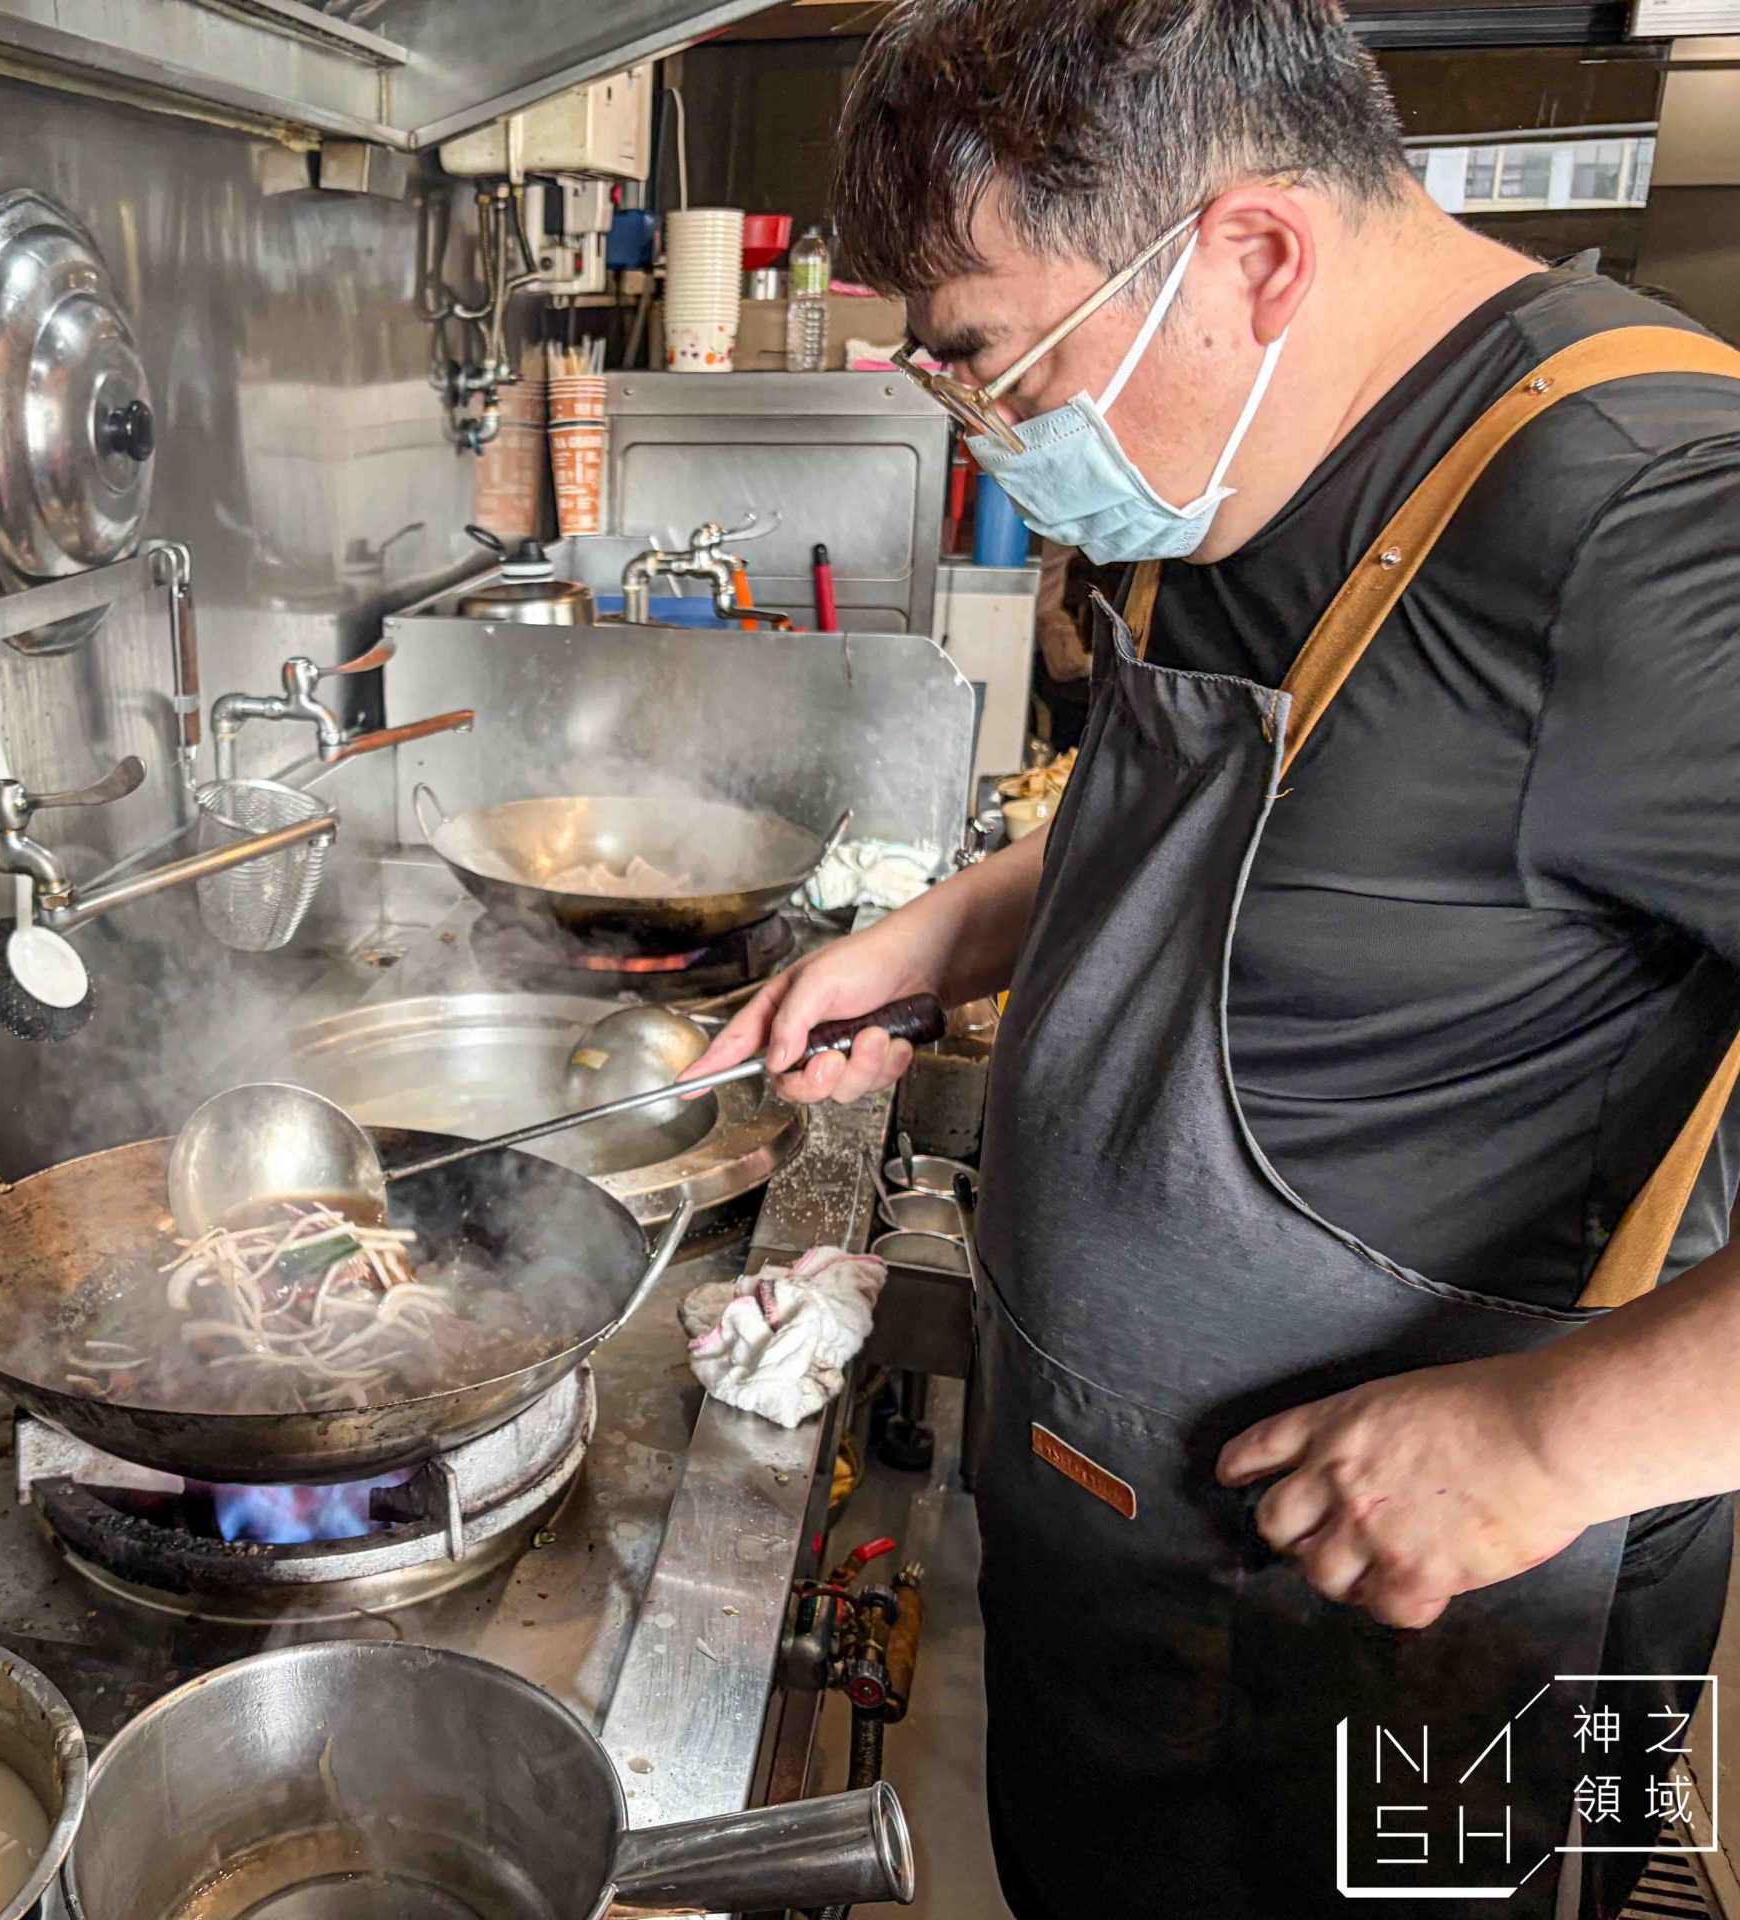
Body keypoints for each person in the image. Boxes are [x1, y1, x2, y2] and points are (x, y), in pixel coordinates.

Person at [686, 5, 1740, 1916]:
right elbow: (1223, 837)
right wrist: (941, 934)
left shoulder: (1652, 530)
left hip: (1417, 1629)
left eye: (978, 352)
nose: (975, 418)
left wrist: (1557, 1436)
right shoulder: (1253, 434)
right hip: (1131, 1557)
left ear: (1248, 256)